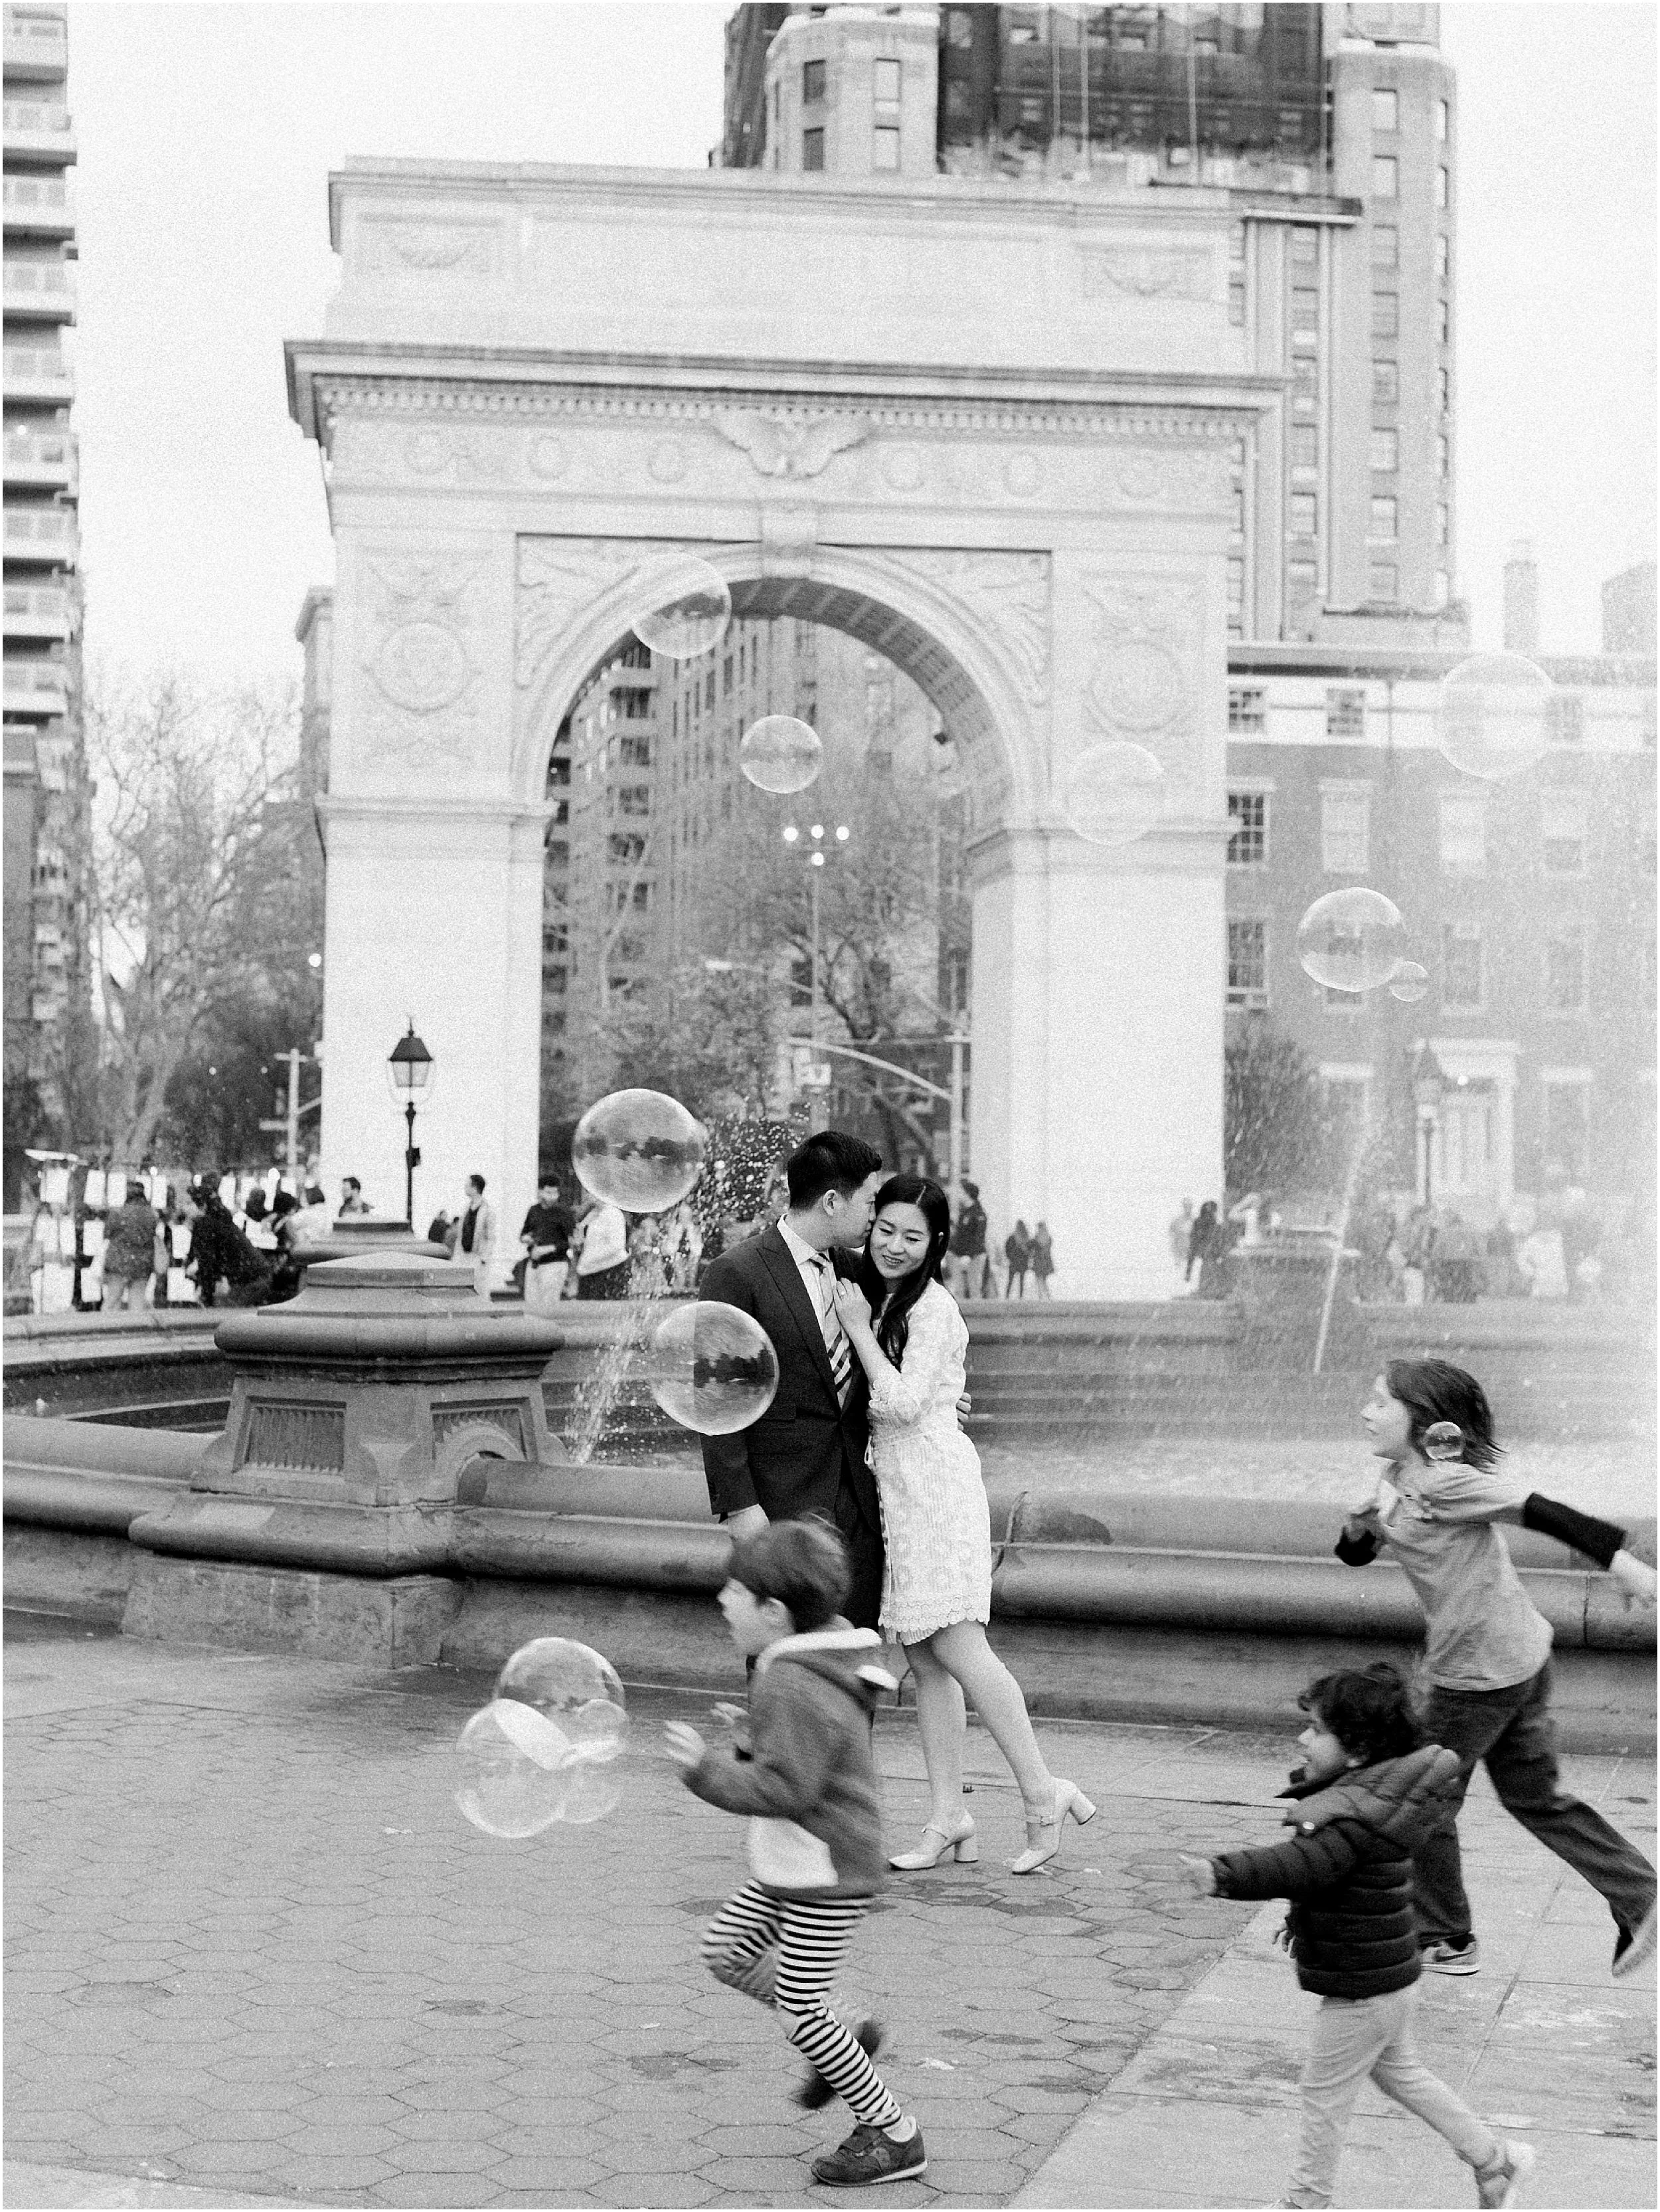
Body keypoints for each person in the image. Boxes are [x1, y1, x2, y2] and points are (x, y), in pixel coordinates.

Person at [1338, 1358, 1658, 1981]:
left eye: (1380, 1402)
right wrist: (1359, 1526)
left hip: (1478, 1673)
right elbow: (1357, 1555)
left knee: (1420, 1797)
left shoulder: (1446, 1482)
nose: (1366, 1412)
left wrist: (1624, 1563)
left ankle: (1445, 1937)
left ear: (1423, 1419)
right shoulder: (1399, 1475)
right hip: (1517, 1656)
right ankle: (1642, 1895)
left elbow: (1540, 1510)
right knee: (1537, 1798)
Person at [1179, 1663, 1536, 2212]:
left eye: (1318, 1729)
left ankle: (1305, 2203)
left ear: (1359, 1750)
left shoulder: (1351, 1818)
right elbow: (1340, 1880)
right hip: (1389, 1977)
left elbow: (1298, 1864)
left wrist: (1222, 1873)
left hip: (1363, 1990)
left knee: (1323, 2095)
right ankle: (1496, 2161)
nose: (1304, 1737)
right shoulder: (1376, 1801)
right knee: (1403, 2076)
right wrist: (1303, 1918)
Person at [834, 1175, 1094, 1875]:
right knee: (924, 1661)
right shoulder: (882, 1295)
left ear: (937, 1243)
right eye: (885, 1229)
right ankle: (949, 1815)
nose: (894, 1245)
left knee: (960, 1647)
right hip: (902, 1489)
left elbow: (901, 1403)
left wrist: (858, 1330)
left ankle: (1042, 1790)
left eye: (912, 1236)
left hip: (936, 1490)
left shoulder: (932, 1307)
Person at [663, 1520, 926, 2190]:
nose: (723, 1600)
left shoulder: (792, 1681)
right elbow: (807, 1754)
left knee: (801, 2007)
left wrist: (705, 1769)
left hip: (825, 1873)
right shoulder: (807, 1665)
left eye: (735, 1591)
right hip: (799, 1862)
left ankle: (893, 2131)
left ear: (774, 1611)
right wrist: (753, 1737)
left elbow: (787, 1788)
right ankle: (846, 2028)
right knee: (726, 1950)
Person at [697, 1130, 886, 1630]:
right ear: (832, 1201)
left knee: (853, 1648)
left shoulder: (858, 1271)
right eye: (869, 1201)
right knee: (780, 1649)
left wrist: (942, 1399)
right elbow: (716, 1398)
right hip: (780, 1499)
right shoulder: (737, 1271)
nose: (875, 1214)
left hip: (859, 1501)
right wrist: (740, 1506)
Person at [179, 1181, 273, 1310]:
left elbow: (207, 1263)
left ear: (203, 1206)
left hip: (248, 1281)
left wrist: (207, 1296)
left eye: (189, 1203)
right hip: (257, 1277)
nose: (183, 1207)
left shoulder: (206, 1225)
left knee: (225, 1313)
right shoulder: (217, 1221)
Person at [518, 1175, 574, 1311]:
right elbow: (524, 1234)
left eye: (555, 1193)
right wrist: (527, 1238)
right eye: (548, 1193)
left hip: (555, 1263)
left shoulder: (564, 1213)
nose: (552, 1197)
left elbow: (570, 1242)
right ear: (540, 1192)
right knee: (531, 1305)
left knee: (548, 1306)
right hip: (534, 1263)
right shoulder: (534, 1211)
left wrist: (549, 1249)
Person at [100, 1186, 161, 1312]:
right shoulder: (151, 1215)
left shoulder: (117, 1213)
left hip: (118, 1263)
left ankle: (110, 1323)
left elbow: (107, 1234)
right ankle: (135, 1324)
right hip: (142, 1264)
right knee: (137, 1303)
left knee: (112, 1301)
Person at [572, 1190, 630, 1300]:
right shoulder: (592, 1213)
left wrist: (590, 1258)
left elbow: (616, 1245)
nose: (588, 1197)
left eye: (590, 1193)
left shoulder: (613, 1214)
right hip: (589, 1269)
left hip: (609, 1268)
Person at [948, 1179, 989, 1302]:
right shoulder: (964, 1213)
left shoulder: (978, 1214)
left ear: (968, 1194)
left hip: (975, 1255)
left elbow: (978, 1238)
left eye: (962, 1192)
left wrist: (969, 1256)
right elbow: (960, 1237)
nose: (959, 1194)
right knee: (959, 1289)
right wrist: (952, 1250)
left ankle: (976, 1312)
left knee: (974, 1287)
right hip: (960, 1255)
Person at [453, 1174, 495, 1291]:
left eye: (468, 1185)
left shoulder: (488, 1210)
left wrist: (484, 1258)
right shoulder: (466, 1209)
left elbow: (491, 1237)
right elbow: (461, 1234)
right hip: (464, 1257)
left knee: (478, 1290)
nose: (465, 1188)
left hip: (477, 1258)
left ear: (475, 1188)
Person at [1003, 1218, 1031, 1299]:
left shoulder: (1013, 1237)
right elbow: (1030, 1252)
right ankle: (1020, 1297)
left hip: (1015, 1262)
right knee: (1020, 1281)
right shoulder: (1026, 1238)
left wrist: (1010, 1257)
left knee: (1011, 1280)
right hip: (1021, 1262)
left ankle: (1007, 1296)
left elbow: (1007, 1248)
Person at [1029, 1219, 1054, 1299]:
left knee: (1039, 1279)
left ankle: (1041, 1295)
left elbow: (1032, 1249)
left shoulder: (1037, 1238)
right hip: (1046, 1261)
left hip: (1039, 1260)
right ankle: (1047, 1295)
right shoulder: (1048, 1237)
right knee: (1043, 1280)